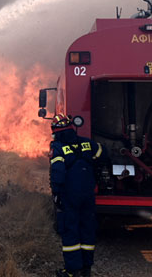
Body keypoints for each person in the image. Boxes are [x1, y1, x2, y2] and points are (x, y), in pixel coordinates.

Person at [50, 113, 105, 277]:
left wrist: (56, 193)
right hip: (88, 194)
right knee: (87, 228)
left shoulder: (57, 147)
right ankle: (86, 268)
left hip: (69, 195)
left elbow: (57, 172)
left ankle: (72, 270)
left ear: (56, 131)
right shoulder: (87, 143)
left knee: (70, 229)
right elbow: (102, 154)